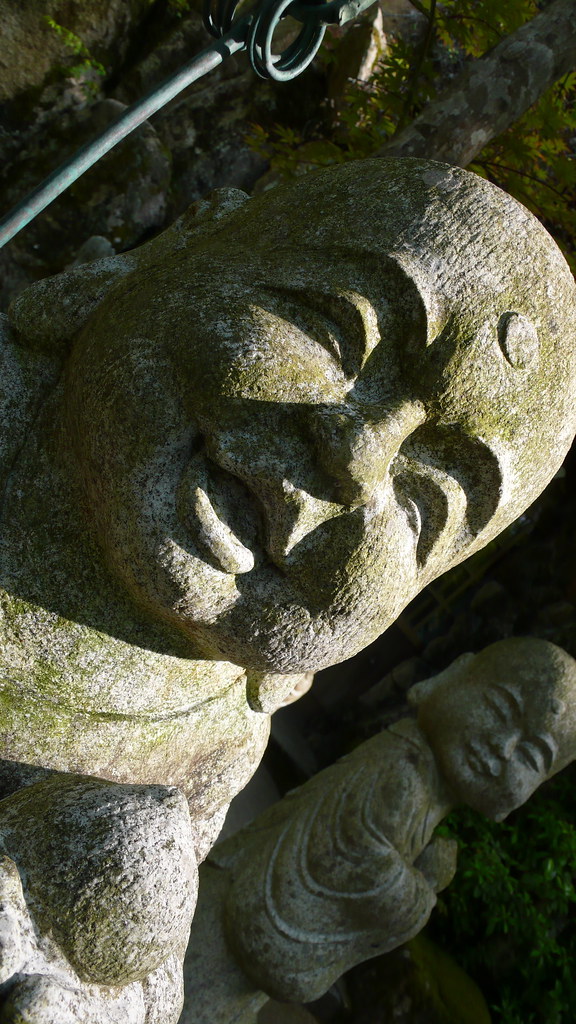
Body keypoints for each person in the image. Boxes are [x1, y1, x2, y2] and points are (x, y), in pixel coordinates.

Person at [1, 157, 575, 1021]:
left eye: (426, 502)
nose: (358, 460)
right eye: (336, 333)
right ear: (184, 245)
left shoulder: (217, 737)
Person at [213, 638, 576, 1004]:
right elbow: (354, 853)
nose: (505, 746)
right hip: (230, 926)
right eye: (499, 709)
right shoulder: (407, 769)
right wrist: (423, 891)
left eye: (531, 755)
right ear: (454, 676)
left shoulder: (427, 792)